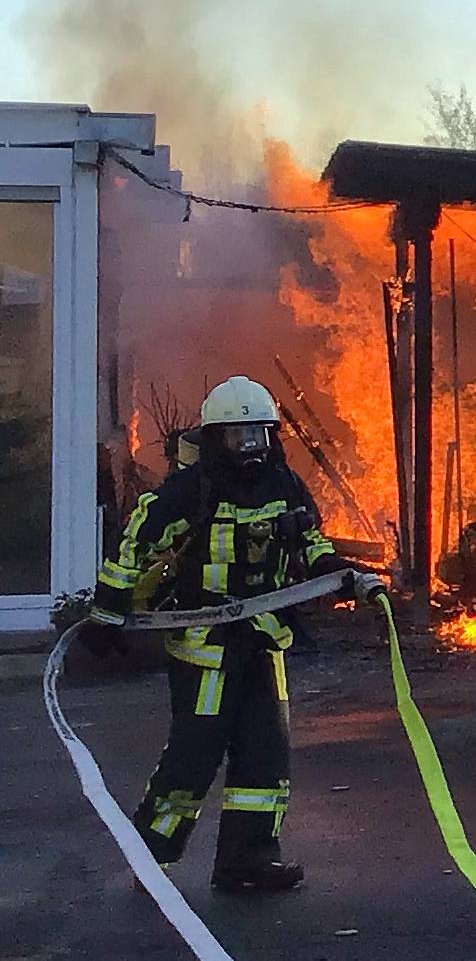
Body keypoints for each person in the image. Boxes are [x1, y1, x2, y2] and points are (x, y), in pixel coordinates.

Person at [80, 376, 382, 892]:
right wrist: (108, 614)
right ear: (216, 438)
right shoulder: (188, 491)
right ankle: (152, 861)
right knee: (193, 757)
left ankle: (249, 860)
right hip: (206, 646)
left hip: (265, 640)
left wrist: (335, 571)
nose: (249, 447)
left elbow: (309, 539)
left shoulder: (284, 483)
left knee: (265, 755)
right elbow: (137, 544)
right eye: (238, 436)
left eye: (258, 435)